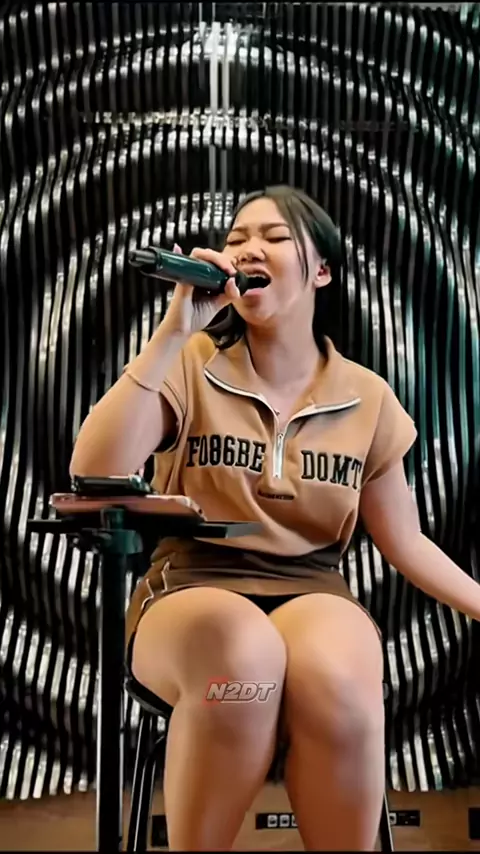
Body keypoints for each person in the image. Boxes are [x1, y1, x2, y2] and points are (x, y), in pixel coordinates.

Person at [70, 185, 480, 852]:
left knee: (339, 675)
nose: (246, 249)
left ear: (321, 271)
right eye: (235, 239)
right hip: (190, 587)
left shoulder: (367, 396)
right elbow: (94, 466)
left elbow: (405, 541)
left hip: (314, 588)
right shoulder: (193, 364)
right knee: (244, 659)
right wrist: (174, 333)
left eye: (273, 236)